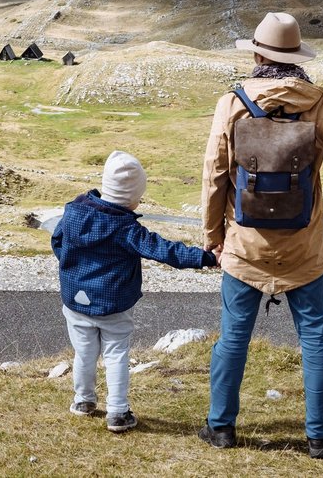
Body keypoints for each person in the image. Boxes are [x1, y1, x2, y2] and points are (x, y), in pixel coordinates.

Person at [198, 12, 323, 459]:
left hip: (244, 249)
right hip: (304, 249)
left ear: (256, 54)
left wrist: (215, 236)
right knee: (314, 339)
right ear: (297, 58)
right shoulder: (321, 103)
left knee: (233, 338)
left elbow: (214, 177)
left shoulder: (231, 104)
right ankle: (321, 437)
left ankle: (221, 427)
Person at [51, 150, 216, 433]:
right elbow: (163, 250)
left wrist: (71, 268)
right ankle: (117, 413)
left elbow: (57, 242)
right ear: (131, 198)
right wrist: (205, 258)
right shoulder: (126, 227)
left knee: (84, 352)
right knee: (115, 355)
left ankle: (83, 401)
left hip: (75, 299)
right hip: (113, 303)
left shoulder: (73, 212)